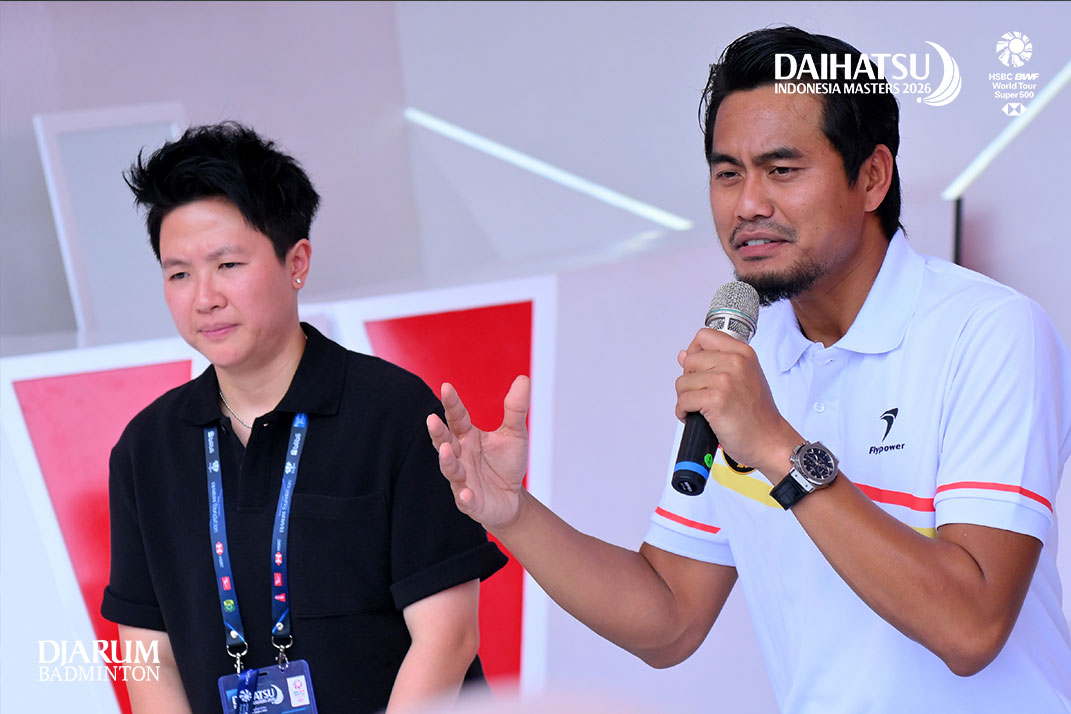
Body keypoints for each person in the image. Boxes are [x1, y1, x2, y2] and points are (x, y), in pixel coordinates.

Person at [427, 26, 1071, 713]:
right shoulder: (750, 360)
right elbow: (670, 616)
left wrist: (773, 444)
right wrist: (513, 513)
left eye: (781, 170)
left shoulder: (988, 329)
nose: (747, 204)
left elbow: (970, 628)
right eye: (727, 172)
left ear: (872, 177)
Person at [101, 122, 507, 714]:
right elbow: (148, 654)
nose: (204, 297)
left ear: (297, 262)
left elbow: (447, 638)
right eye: (179, 273)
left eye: (228, 264)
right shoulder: (147, 449)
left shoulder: (395, 414)